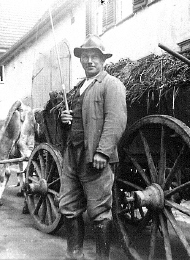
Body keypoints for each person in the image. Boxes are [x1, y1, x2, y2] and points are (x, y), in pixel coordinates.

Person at [59, 34, 127, 260]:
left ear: (103, 60)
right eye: (86, 56)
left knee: (99, 211)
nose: (89, 61)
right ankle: (74, 254)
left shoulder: (111, 85)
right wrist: (66, 118)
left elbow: (116, 120)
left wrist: (103, 152)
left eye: (94, 57)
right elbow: (77, 120)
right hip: (72, 156)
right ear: (80, 60)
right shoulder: (79, 88)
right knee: (68, 204)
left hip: (95, 157)